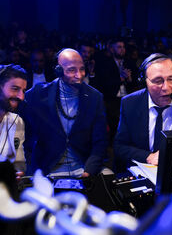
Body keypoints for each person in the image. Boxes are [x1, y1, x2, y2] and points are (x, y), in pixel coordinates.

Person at [22, 48, 108, 177]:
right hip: (47, 170)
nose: (79, 75)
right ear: (58, 71)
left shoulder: (95, 97)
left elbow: (100, 142)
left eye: (82, 69)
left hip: (83, 168)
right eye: (72, 70)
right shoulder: (37, 95)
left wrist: (88, 171)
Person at [0, 64, 27, 174]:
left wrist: (18, 172)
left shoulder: (17, 121)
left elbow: (19, 162)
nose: (21, 97)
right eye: (15, 89)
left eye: (23, 91)